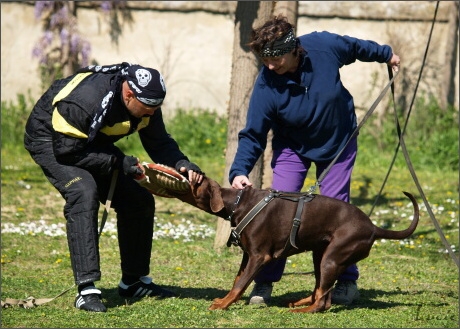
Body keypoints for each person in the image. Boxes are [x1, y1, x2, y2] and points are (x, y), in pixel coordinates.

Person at [229, 15, 400, 306]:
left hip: (338, 142)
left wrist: (386, 54)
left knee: (336, 213)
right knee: (278, 211)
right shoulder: (266, 84)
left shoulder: (323, 46)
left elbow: (355, 47)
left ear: (293, 48)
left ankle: (343, 281)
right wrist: (240, 170)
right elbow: (254, 133)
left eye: (276, 59)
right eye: (265, 60)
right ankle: (264, 281)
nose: (270, 66)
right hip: (292, 146)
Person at [24, 62, 204, 312]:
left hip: (90, 141)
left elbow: (159, 142)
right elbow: (67, 152)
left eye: (156, 108)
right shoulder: (85, 102)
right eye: (148, 109)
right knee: (83, 192)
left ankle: (133, 281)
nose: (151, 113)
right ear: (128, 94)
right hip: (53, 140)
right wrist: (117, 161)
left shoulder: (147, 102)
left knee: (138, 200)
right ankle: (86, 290)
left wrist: (182, 163)